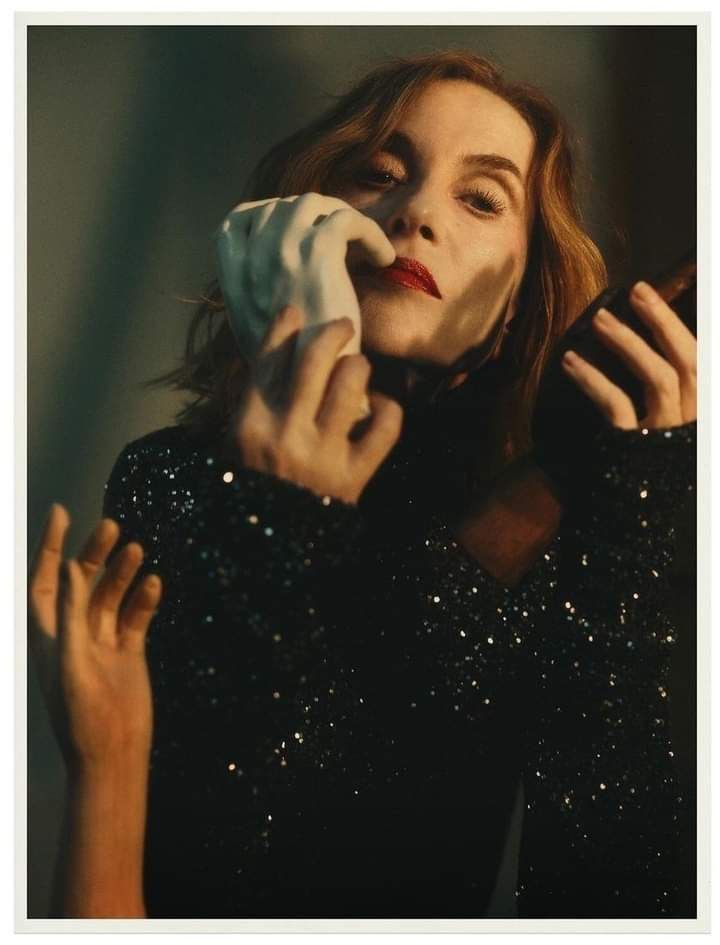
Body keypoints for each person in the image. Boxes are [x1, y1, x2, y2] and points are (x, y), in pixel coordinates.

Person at [29, 50, 696, 919]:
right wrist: (277, 494)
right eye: (380, 174)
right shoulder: (174, 480)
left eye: (480, 198)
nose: (415, 212)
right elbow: (214, 875)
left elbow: (609, 900)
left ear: (511, 315)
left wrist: (635, 520)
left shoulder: (542, 546)